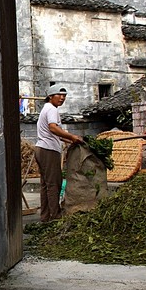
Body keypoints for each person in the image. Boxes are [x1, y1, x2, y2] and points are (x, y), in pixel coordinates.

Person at [35, 84, 83, 221]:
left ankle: (45, 216)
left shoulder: (47, 108)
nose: (62, 98)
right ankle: (55, 216)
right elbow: (53, 128)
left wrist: (69, 140)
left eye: (64, 96)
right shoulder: (51, 109)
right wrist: (72, 137)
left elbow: (55, 132)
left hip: (42, 148)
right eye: (59, 95)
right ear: (50, 97)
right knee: (53, 184)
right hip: (48, 150)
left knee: (46, 184)